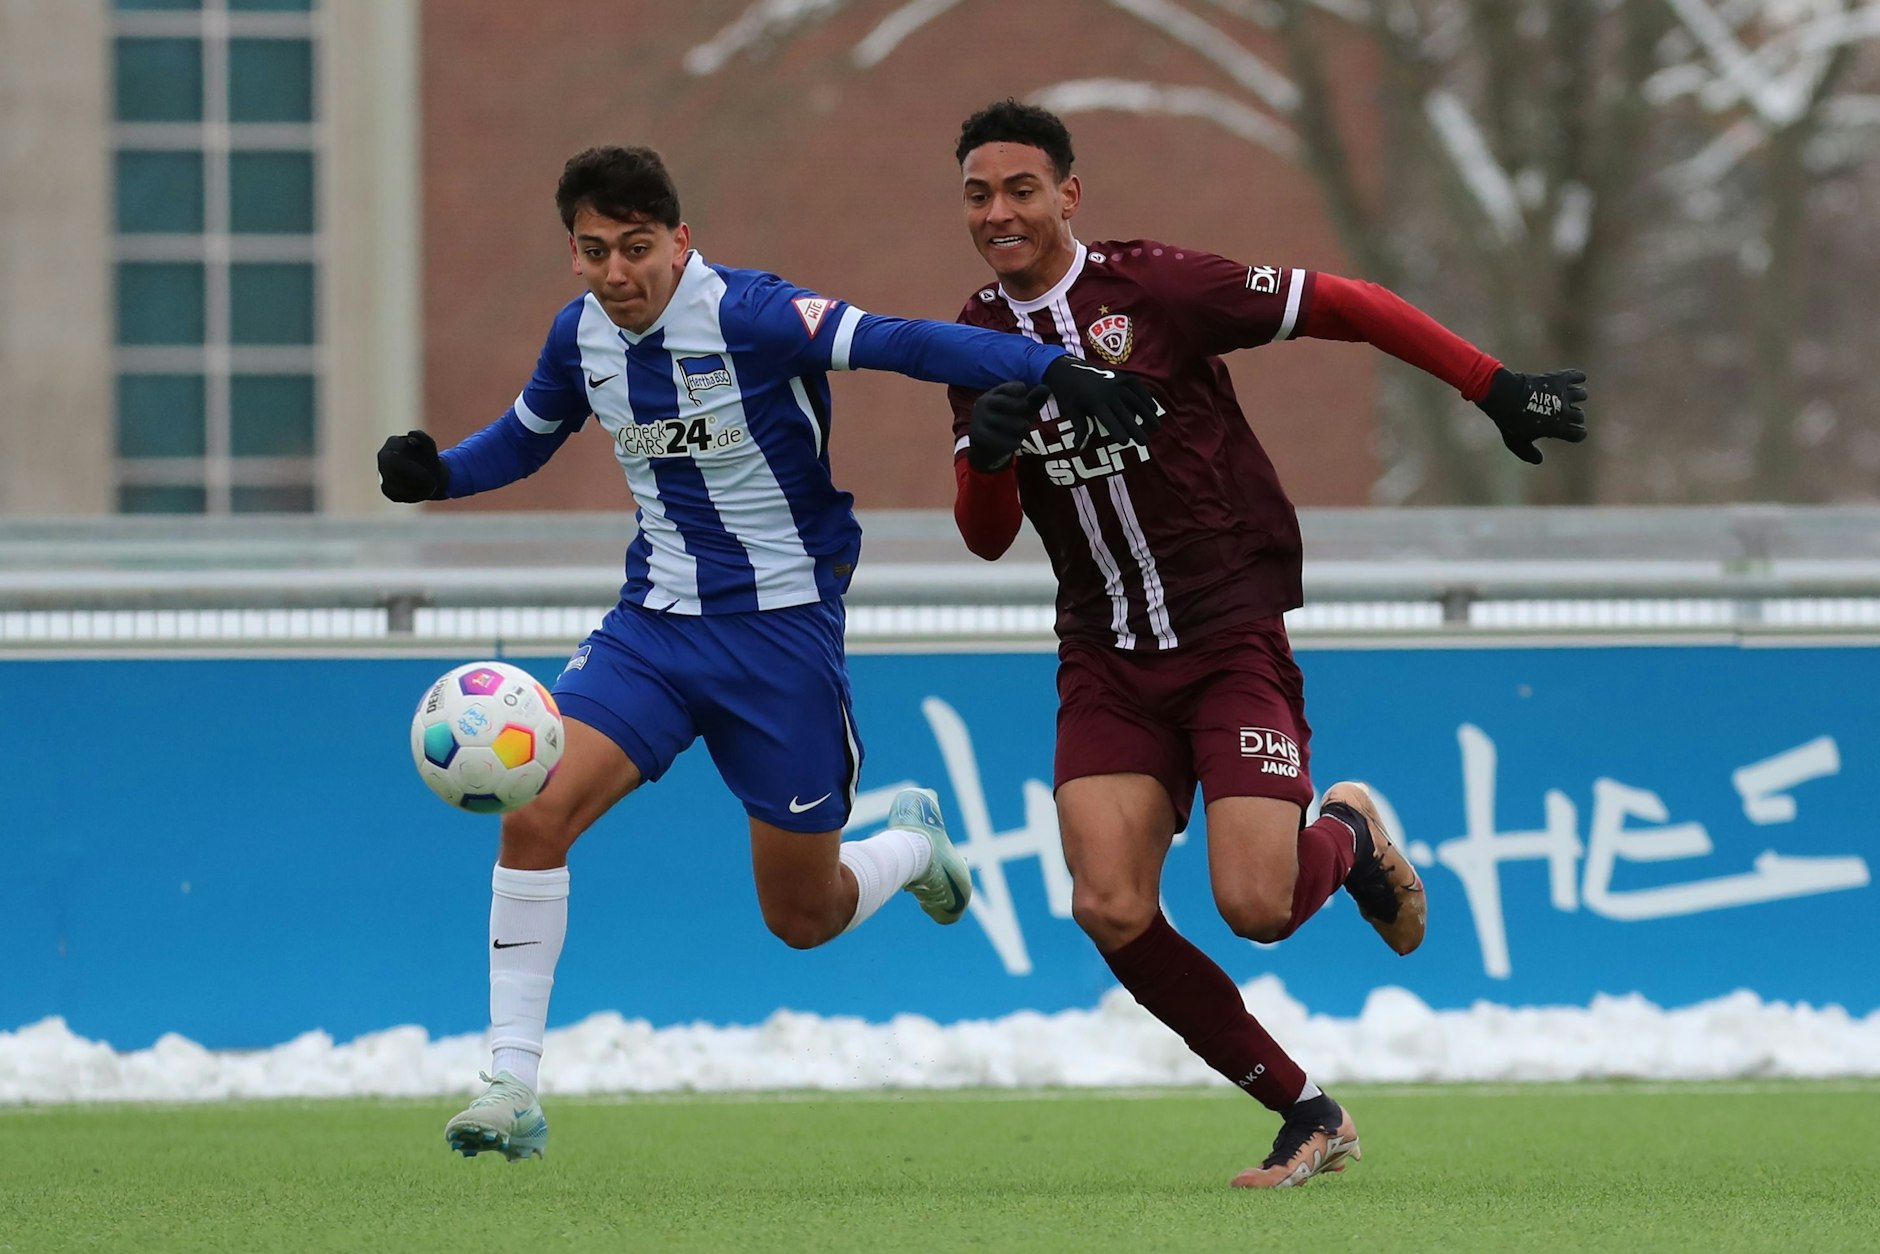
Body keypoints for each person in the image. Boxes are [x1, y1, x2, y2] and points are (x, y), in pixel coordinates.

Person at [376, 145, 1162, 1161]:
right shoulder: (580, 338)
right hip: (651, 630)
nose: (616, 274)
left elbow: (906, 345)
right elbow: (528, 436)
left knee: (803, 916)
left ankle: (912, 845)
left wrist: (1048, 365)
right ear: (573, 253)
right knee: (535, 814)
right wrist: (436, 472)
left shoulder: (751, 315)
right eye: (593, 251)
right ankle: (509, 1087)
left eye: (636, 248)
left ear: (679, 240)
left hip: (780, 639)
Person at [944, 101, 1588, 1189]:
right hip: (1103, 654)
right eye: (976, 194)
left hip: (1224, 632)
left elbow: (1345, 302)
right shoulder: (967, 342)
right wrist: (991, 458)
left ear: (1068, 194)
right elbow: (986, 535)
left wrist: (1489, 386)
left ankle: (1344, 826)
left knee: (1257, 908)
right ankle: (1306, 1112)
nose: (998, 212)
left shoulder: (1152, 290)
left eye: (1019, 189)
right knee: (1105, 903)